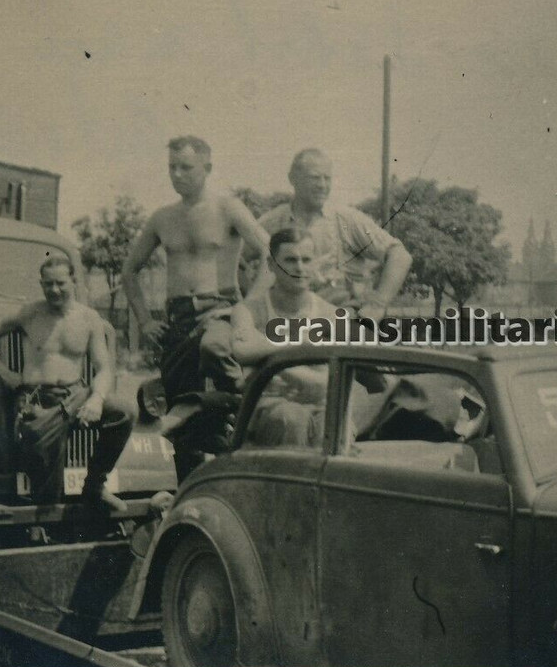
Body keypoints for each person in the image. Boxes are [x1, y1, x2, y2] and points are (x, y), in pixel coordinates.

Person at [121, 136, 269, 481]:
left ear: (208, 168)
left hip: (219, 307)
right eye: (172, 167)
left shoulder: (227, 208)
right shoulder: (162, 217)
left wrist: (247, 307)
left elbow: (270, 252)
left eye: (186, 167)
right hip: (177, 318)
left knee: (215, 349)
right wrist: (144, 320)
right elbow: (130, 270)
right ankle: (186, 492)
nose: (177, 174)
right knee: (179, 418)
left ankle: (250, 406)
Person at [0, 256, 132, 513]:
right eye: (48, 284)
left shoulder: (89, 319)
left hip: (76, 395)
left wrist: (96, 398)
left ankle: (95, 486)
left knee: (123, 411)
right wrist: (4, 372)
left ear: (74, 282)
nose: (54, 290)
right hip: (39, 401)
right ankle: (45, 523)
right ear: (41, 284)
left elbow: (104, 368)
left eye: (61, 283)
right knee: (47, 496)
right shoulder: (30, 314)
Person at [246, 149, 412, 321]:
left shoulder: (346, 219)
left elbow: (400, 255)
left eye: (327, 178)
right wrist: (249, 302)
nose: (322, 185)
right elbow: (239, 259)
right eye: (315, 178)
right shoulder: (273, 221)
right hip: (288, 316)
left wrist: (377, 304)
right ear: (293, 179)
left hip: (340, 315)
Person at [231, 227, 335, 447]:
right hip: (267, 408)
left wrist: (270, 359)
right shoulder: (249, 311)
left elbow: (327, 385)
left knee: (331, 427)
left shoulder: (330, 315)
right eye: (290, 260)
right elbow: (242, 351)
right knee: (291, 419)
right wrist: (298, 346)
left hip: (321, 407)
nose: (299, 267)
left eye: (306, 260)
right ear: (271, 265)